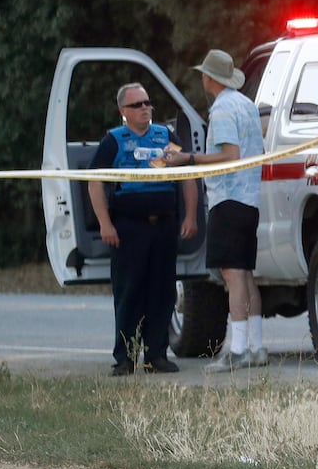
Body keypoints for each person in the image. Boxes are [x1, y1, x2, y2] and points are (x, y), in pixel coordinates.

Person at [165, 49, 266, 372]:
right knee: (245, 273)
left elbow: (229, 155)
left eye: (203, 74)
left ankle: (236, 350)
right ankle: (255, 345)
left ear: (209, 78)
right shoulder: (247, 105)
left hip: (228, 198)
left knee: (231, 274)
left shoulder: (222, 110)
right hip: (249, 199)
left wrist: (188, 159)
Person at [87, 83, 199, 375]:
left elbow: (187, 175)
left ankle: (156, 355)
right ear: (123, 111)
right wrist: (105, 223)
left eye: (148, 103)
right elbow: (94, 182)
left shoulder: (164, 136)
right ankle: (124, 357)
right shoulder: (114, 140)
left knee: (162, 292)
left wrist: (190, 216)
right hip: (128, 228)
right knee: (129, 292)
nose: (145, 108)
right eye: (137, 105)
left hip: (163, 226)